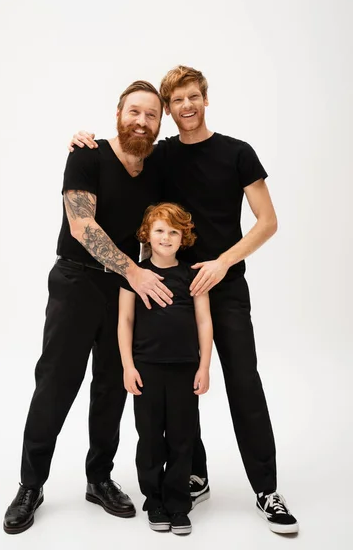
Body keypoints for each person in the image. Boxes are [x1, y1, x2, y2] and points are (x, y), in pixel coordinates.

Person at [69, 65, 299, 534]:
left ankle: (267, 490)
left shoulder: (238, 153)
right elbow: (125, 149)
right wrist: (82, 139)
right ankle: (193, 474)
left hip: (223, 286)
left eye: (193, 97)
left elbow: (267, 221)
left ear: (205, 99)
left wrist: (221, 264)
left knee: (243, 382)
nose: (186, 106)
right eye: (176, 101)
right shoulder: (161, 155)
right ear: (169, 110)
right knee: (172, 384)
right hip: (169, 290)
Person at [3, 81, 175, 535]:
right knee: (56, 384)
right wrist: (134, 272)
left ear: (161, 123)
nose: (142, 121)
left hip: (122, 292)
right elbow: (82, 227)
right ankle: (30, 485)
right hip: (78, 282)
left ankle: (99, 479)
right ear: (118, 112)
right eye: (134, 111)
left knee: (113, 387)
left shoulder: (158, 163)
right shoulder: (86, 155)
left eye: (151, 115)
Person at [118, 202, 213, 535]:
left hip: (185, 369)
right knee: (150, 438)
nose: (166, 237)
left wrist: (204, 367)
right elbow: (125, 322)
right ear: (147, 233)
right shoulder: (133, 275)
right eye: (159, 230)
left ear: (183, 236)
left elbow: (204, 321)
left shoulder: (192, 275)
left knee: (181, 438)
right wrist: (128, 366)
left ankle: (177, 504)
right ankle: (154, 501)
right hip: (146, 369)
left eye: (174, 231)